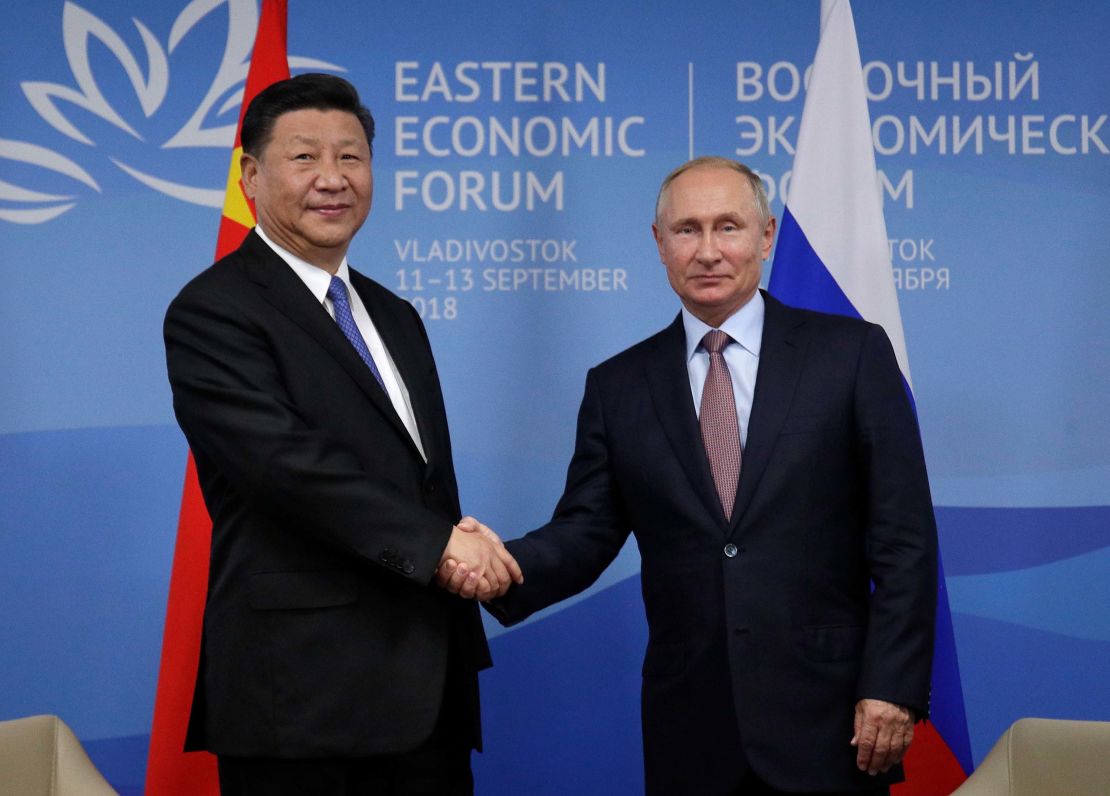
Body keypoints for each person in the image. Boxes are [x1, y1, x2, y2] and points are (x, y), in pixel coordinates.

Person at [441, 156, 938, 794]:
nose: (708, 250)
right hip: (691, 724)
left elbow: (904, 538)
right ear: (658, 242)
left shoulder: (851, 354)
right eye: (687, 230)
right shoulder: (618, 385)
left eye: (728, 227)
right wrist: (496, 566)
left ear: (766, 236)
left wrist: (891, 686)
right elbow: (588, 530)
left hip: (832, 717)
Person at [164, 73, 520, 796]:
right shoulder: (214, 312)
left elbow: (421, 480)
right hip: (303, 699)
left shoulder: (393, 314)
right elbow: (285, 465)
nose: (333, 178)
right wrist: (442, 546)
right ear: (251, 176)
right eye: (304, 158)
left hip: (427, 689)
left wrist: (457, 540)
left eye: (351, 157)